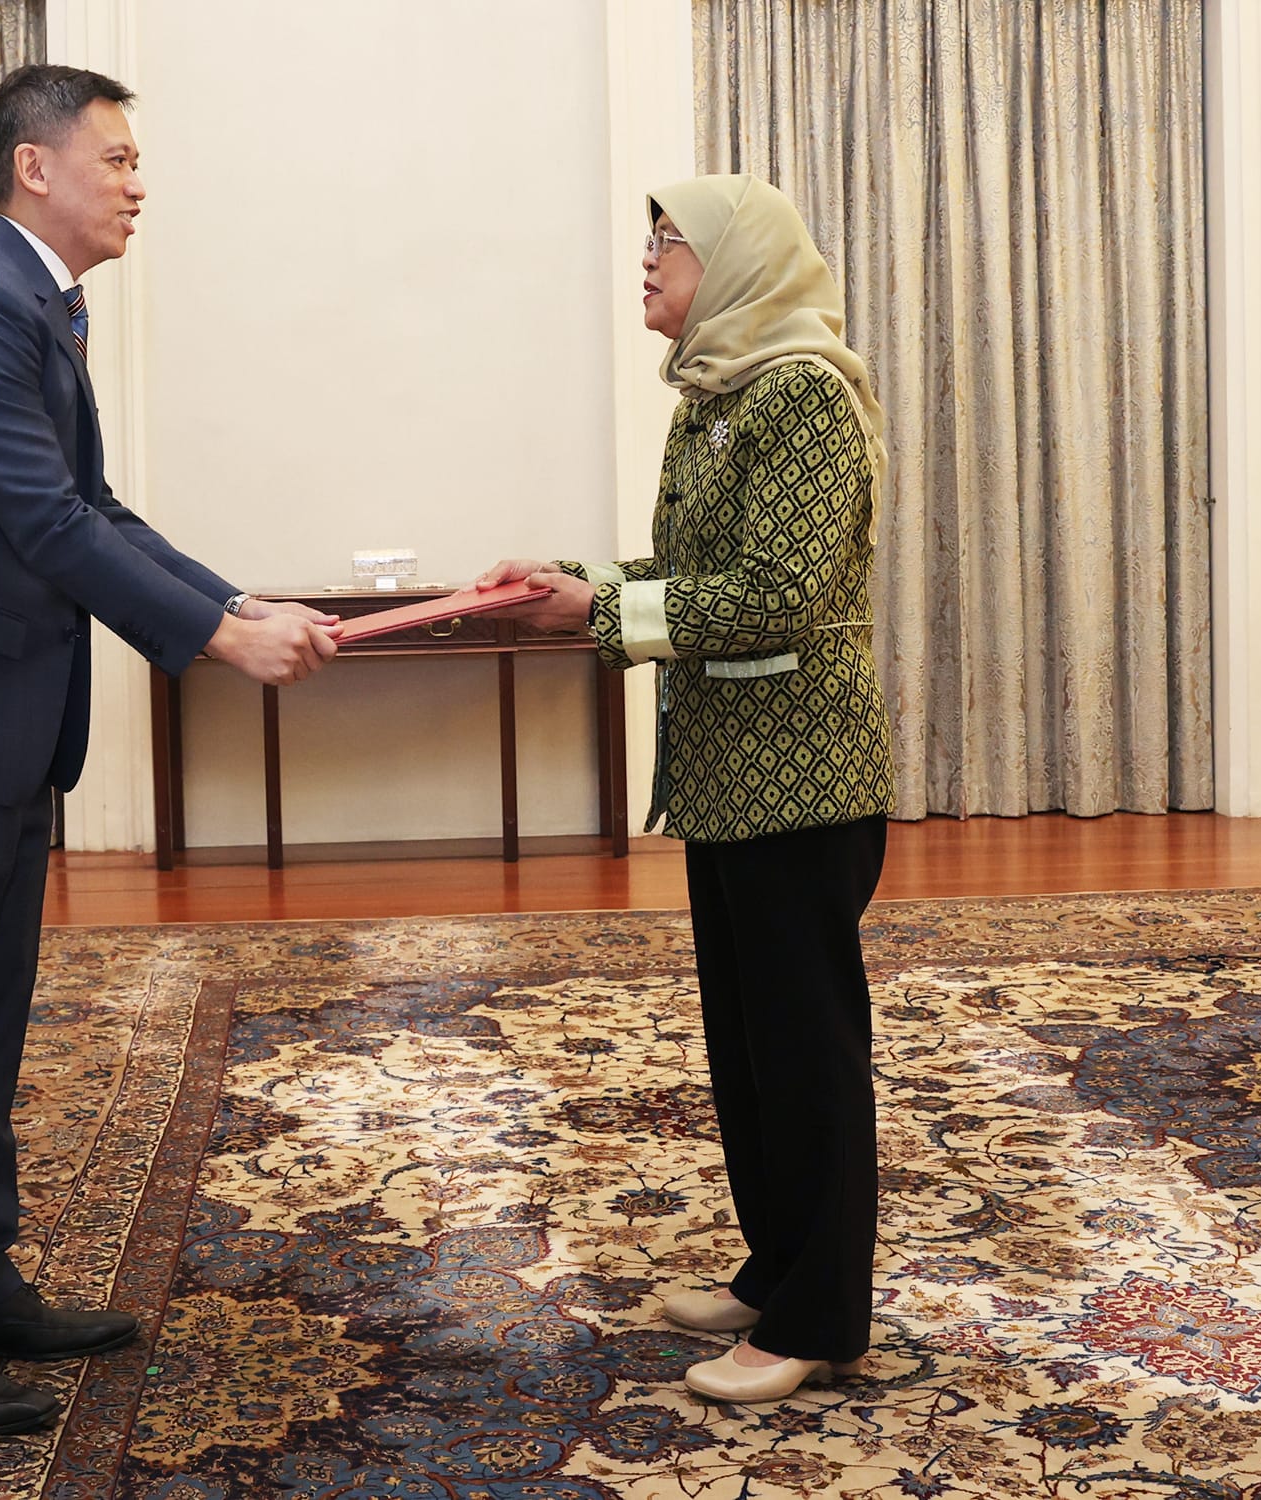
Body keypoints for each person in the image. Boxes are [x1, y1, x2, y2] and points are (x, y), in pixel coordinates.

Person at [0, 64, 337, 1435]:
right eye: (118, 155)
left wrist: (235, 602)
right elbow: (50, 527)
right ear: (36, 168)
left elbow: (91, 505)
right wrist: (217, 643)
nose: (138, 178)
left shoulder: (40, 305)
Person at [478, 173, 892, 1404]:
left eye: (671, 238)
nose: (648, 256)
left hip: (804, 779)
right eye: (647, 234)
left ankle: (819, 1316)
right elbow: (692, 569)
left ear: (742, 261)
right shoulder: (717, 397)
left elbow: (777, 591)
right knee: (750, 1048)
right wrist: (564, 577)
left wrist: (598, 611)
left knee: (808, 1052)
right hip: (726, 777)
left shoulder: (806, 396)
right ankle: (777, 1269)